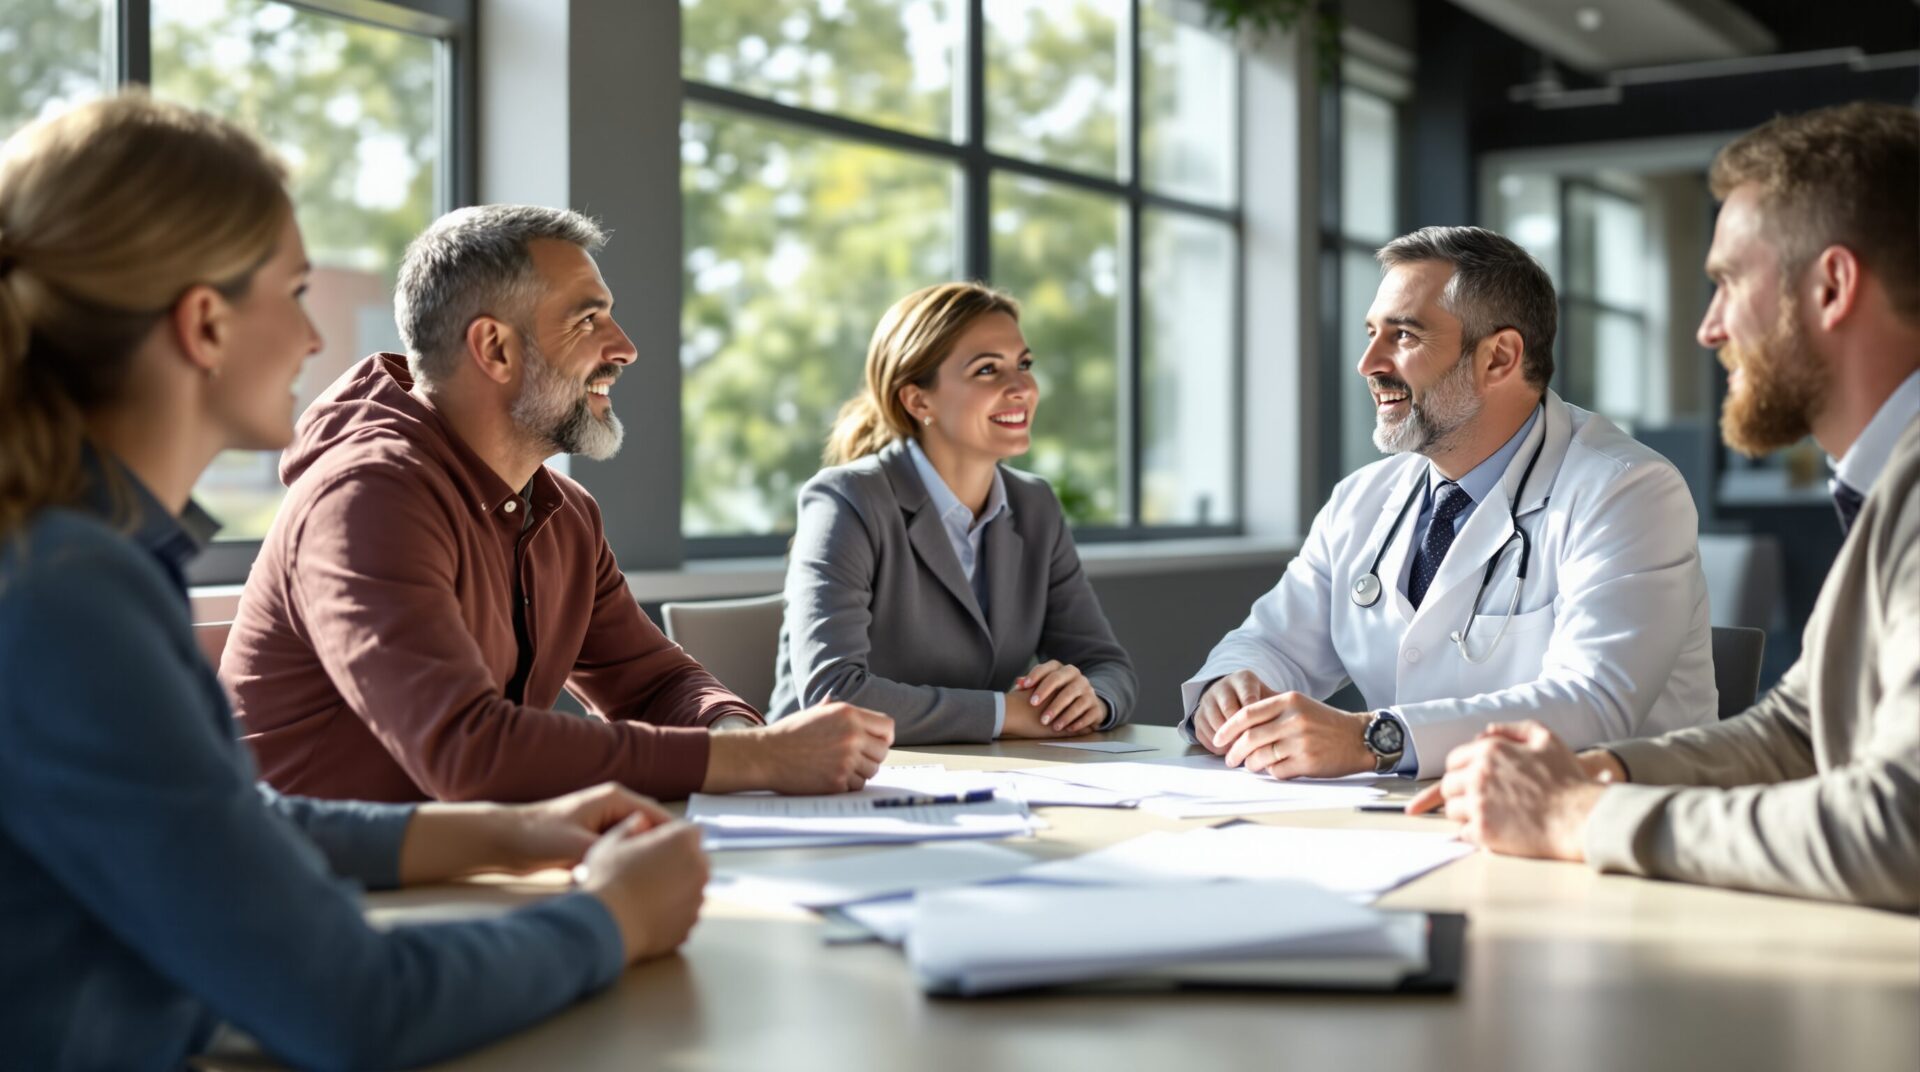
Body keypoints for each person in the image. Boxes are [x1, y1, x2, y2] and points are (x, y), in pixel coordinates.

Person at [0, 94, 708, 1071]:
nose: (310, 342)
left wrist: (511, 829)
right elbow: (355, 1004)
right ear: (204, 324)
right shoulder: (65, 597)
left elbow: (226, 822)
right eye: (294, 295)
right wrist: (613, 918)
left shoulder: (82, 560)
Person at [1411, 102, 1920, 911]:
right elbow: (1796, 732)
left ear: (1831, 286)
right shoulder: (1890, 481)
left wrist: (1586, 817)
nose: (1708, 330)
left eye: (1727, 282)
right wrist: (1602, 771)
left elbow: (1903, 829)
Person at [220, 204, 893, 803]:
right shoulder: (366, 497)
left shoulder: (562, 513)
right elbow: (466, 753)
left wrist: (731, 730)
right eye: (588, 319)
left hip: (468, 867)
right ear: (495, 348)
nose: (624, 348)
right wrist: (752, 758)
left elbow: (654, 684)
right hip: (330, 901)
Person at [1182, 226, 1716, 779]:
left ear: (1499, 358)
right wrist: (1233, 683)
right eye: (1370, 333)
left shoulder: (1627, 490)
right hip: (1414, 823)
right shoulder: (1361, 500)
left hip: (1606, 835)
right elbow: (1274, 643)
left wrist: (1373, 738)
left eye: (1404, 336)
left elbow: (1596, 701)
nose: (1368, 363)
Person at [768, 282, 1137, 744]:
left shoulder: (1034, 505)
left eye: (1024, 365)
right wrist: (1007, 714)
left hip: (973, 778)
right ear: (918, 400)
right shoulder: (846, 499)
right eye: (987, 370)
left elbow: (1106, 664)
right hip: (822, 786)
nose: (1022, 387)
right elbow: (834, 695)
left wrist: (1091, 698)